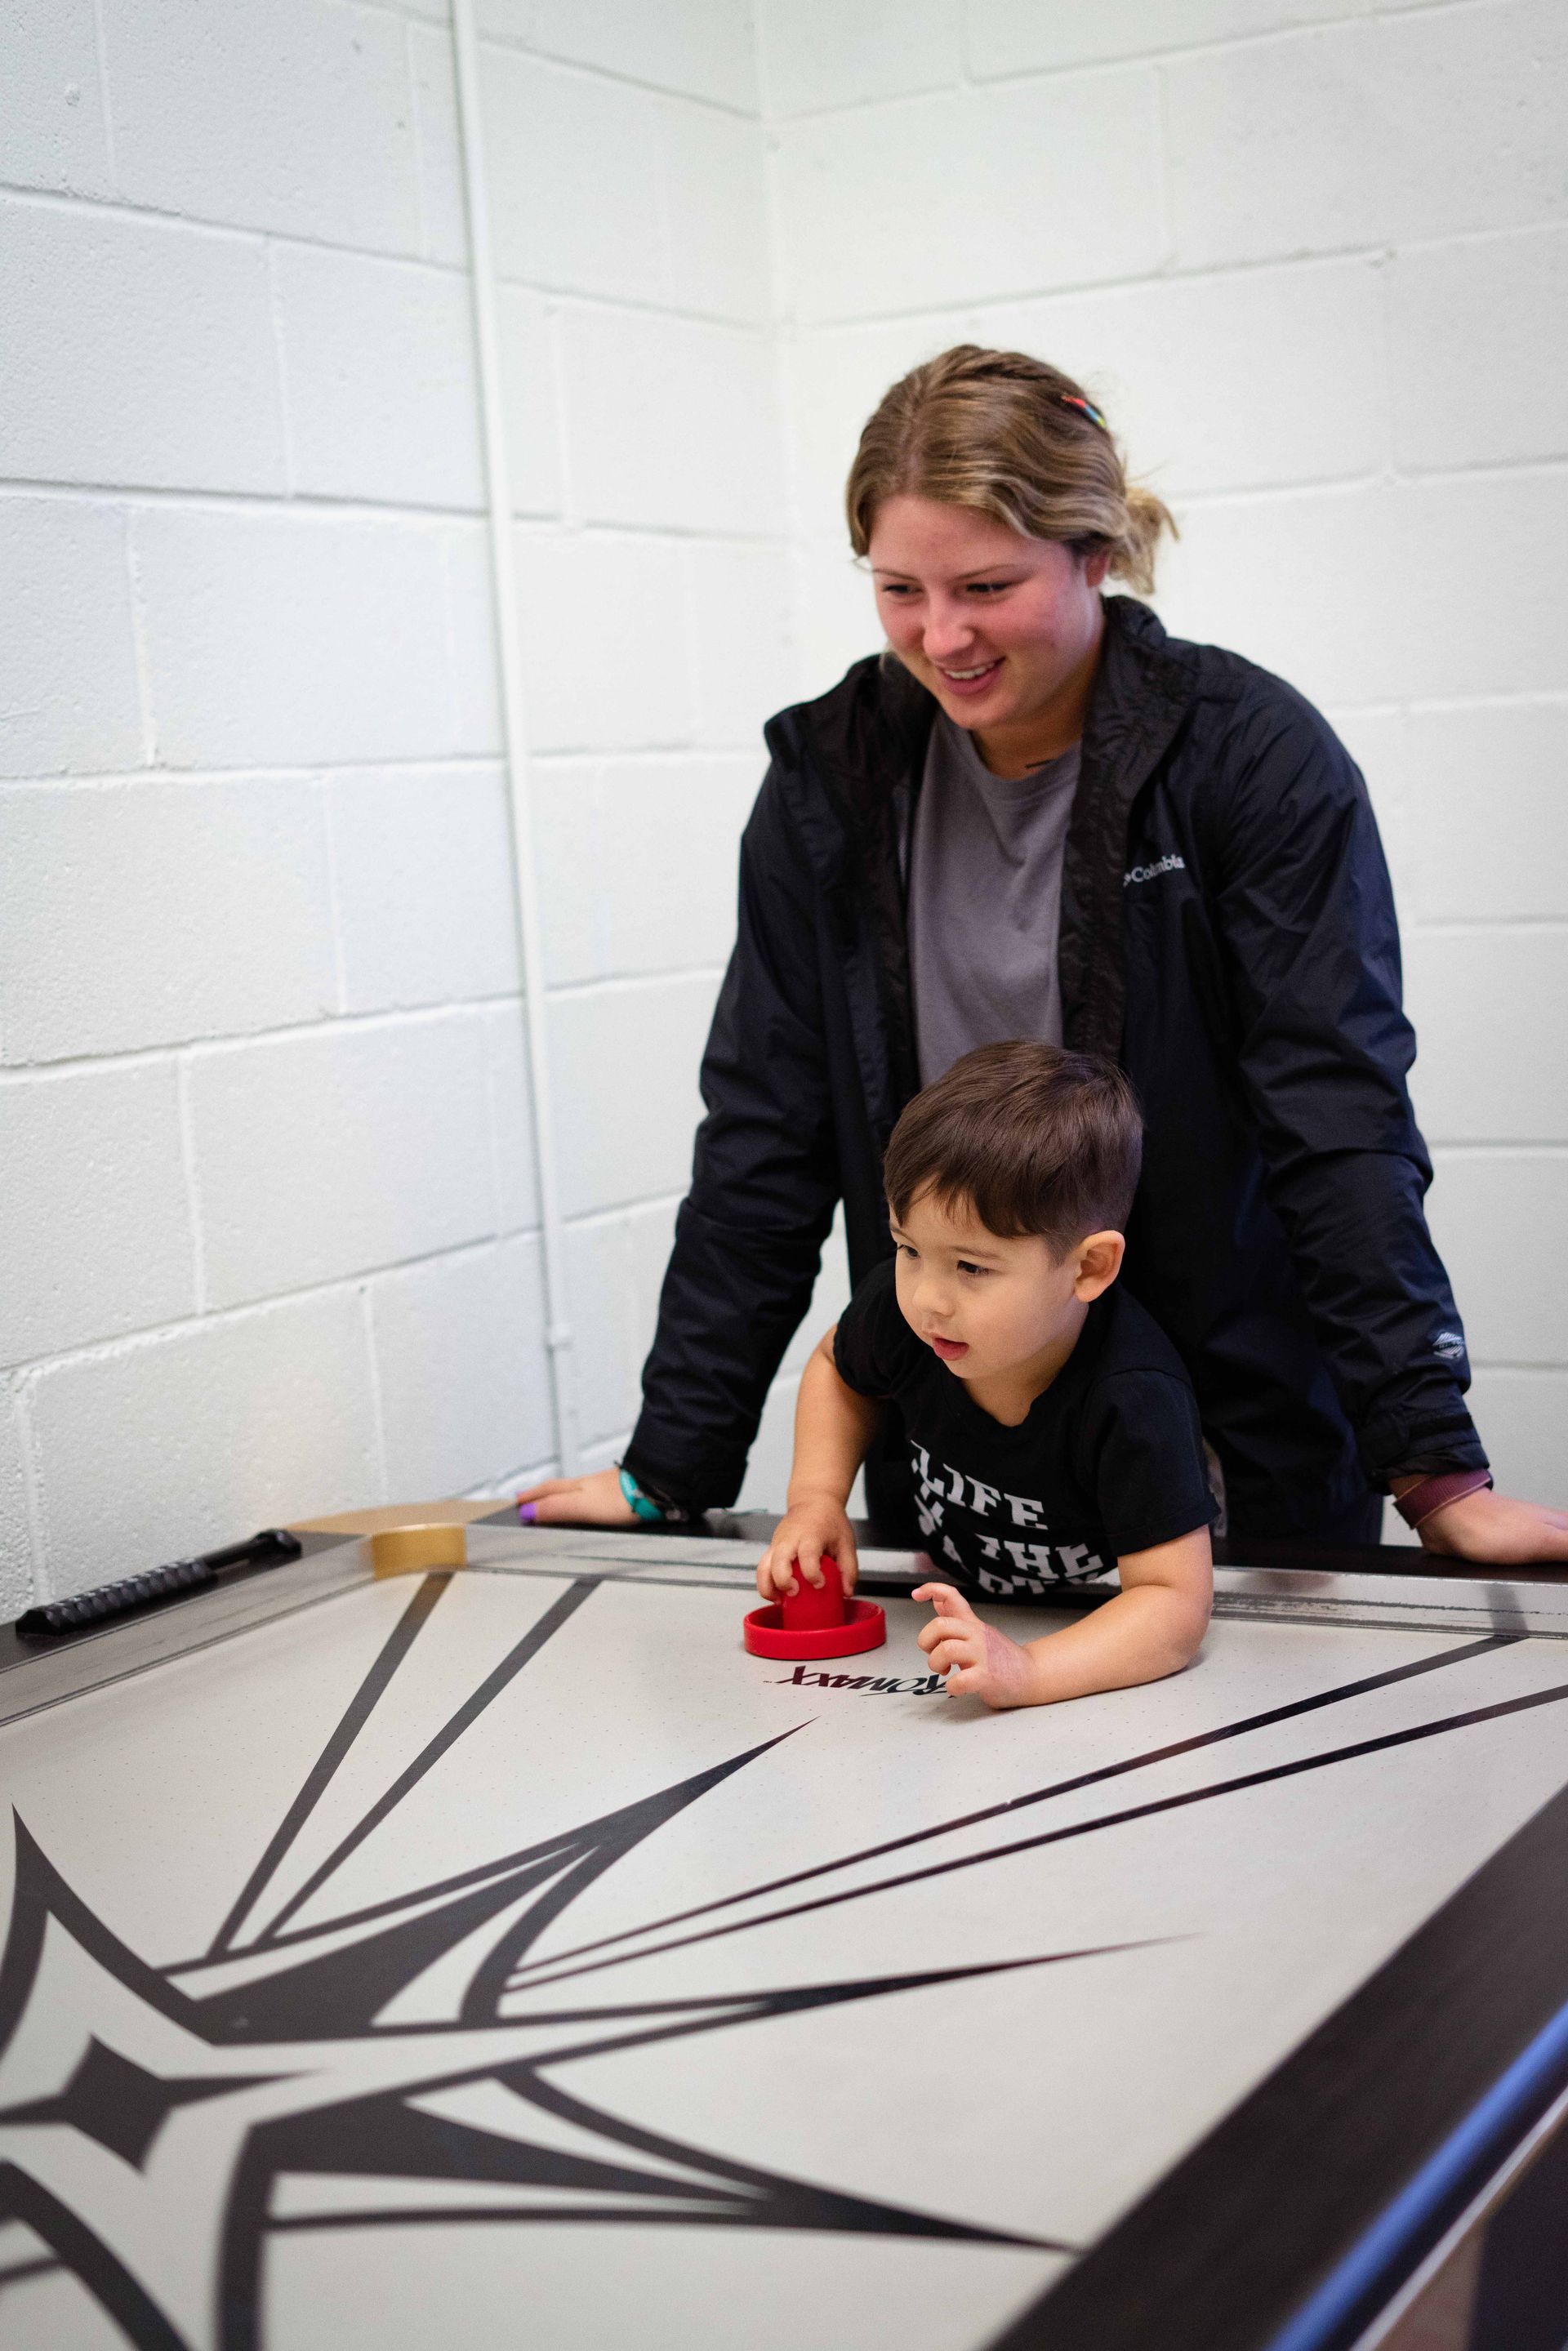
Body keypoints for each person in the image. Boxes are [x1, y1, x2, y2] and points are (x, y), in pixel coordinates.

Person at [519, 345, 1568, 1567]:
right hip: (964, 1464)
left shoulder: (1251, 759)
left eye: (987, 584)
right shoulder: (833, 777)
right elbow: (763, 1136)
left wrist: (1435, 1463)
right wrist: (672, 1466)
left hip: (1232, 1452)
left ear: (1097, 554)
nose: (941, 633)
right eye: (899, 587)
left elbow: (1337, 1118)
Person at [755, 1042, 1214, 1710]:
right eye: (909, 1248)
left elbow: (1173, 1607)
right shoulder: (905, 1312)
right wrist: (816, 1497)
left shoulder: (1135, 1396)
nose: (928, 1297)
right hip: (953, 1603)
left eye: (971, 1267)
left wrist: (1028, 1669)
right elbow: (836, 1366)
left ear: (1088, 1268)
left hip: (1087, 1639)